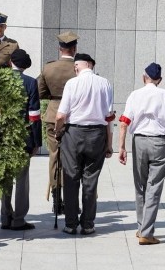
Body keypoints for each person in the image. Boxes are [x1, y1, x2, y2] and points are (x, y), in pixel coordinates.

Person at [118, 63, 165, 245]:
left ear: (143, 77)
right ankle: (146, 232)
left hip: (139, 141)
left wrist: (121, 147)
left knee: (140, 185)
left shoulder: (135, 95)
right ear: (159, 80)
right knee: (154, 186)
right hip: (160, 142)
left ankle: (141, 228)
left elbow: (124, 123)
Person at [54, 53, 113, 235]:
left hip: (74, 133)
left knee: (71, 178)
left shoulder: (72, 83)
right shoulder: (105, 83)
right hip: (97, 133)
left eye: (76, 66)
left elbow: (61, 115)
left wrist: (57, 132)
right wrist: (109, 144)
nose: (75, 69)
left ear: (80, 66)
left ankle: (71, 223)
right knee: (91, 179)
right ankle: (88, 223)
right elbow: (109, 116)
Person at [0, 49, 42, 231]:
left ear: (11, 62)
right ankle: (19, 219)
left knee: (5, 177)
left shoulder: (1, 79)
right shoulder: (31, 82)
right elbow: (34, 115)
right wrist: (36, 141)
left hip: (3, 136)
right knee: (22, 179)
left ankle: (4, 217)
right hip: (23, 137)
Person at [37, 31, 78, 200]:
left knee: (54, 155)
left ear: (59, 48)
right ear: (74, 49)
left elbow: (40, 92)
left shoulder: (49, 68)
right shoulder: (79, 68)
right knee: (72, 158)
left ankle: (56, 195)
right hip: (74, 116)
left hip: (53, 114)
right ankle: (70, 196)